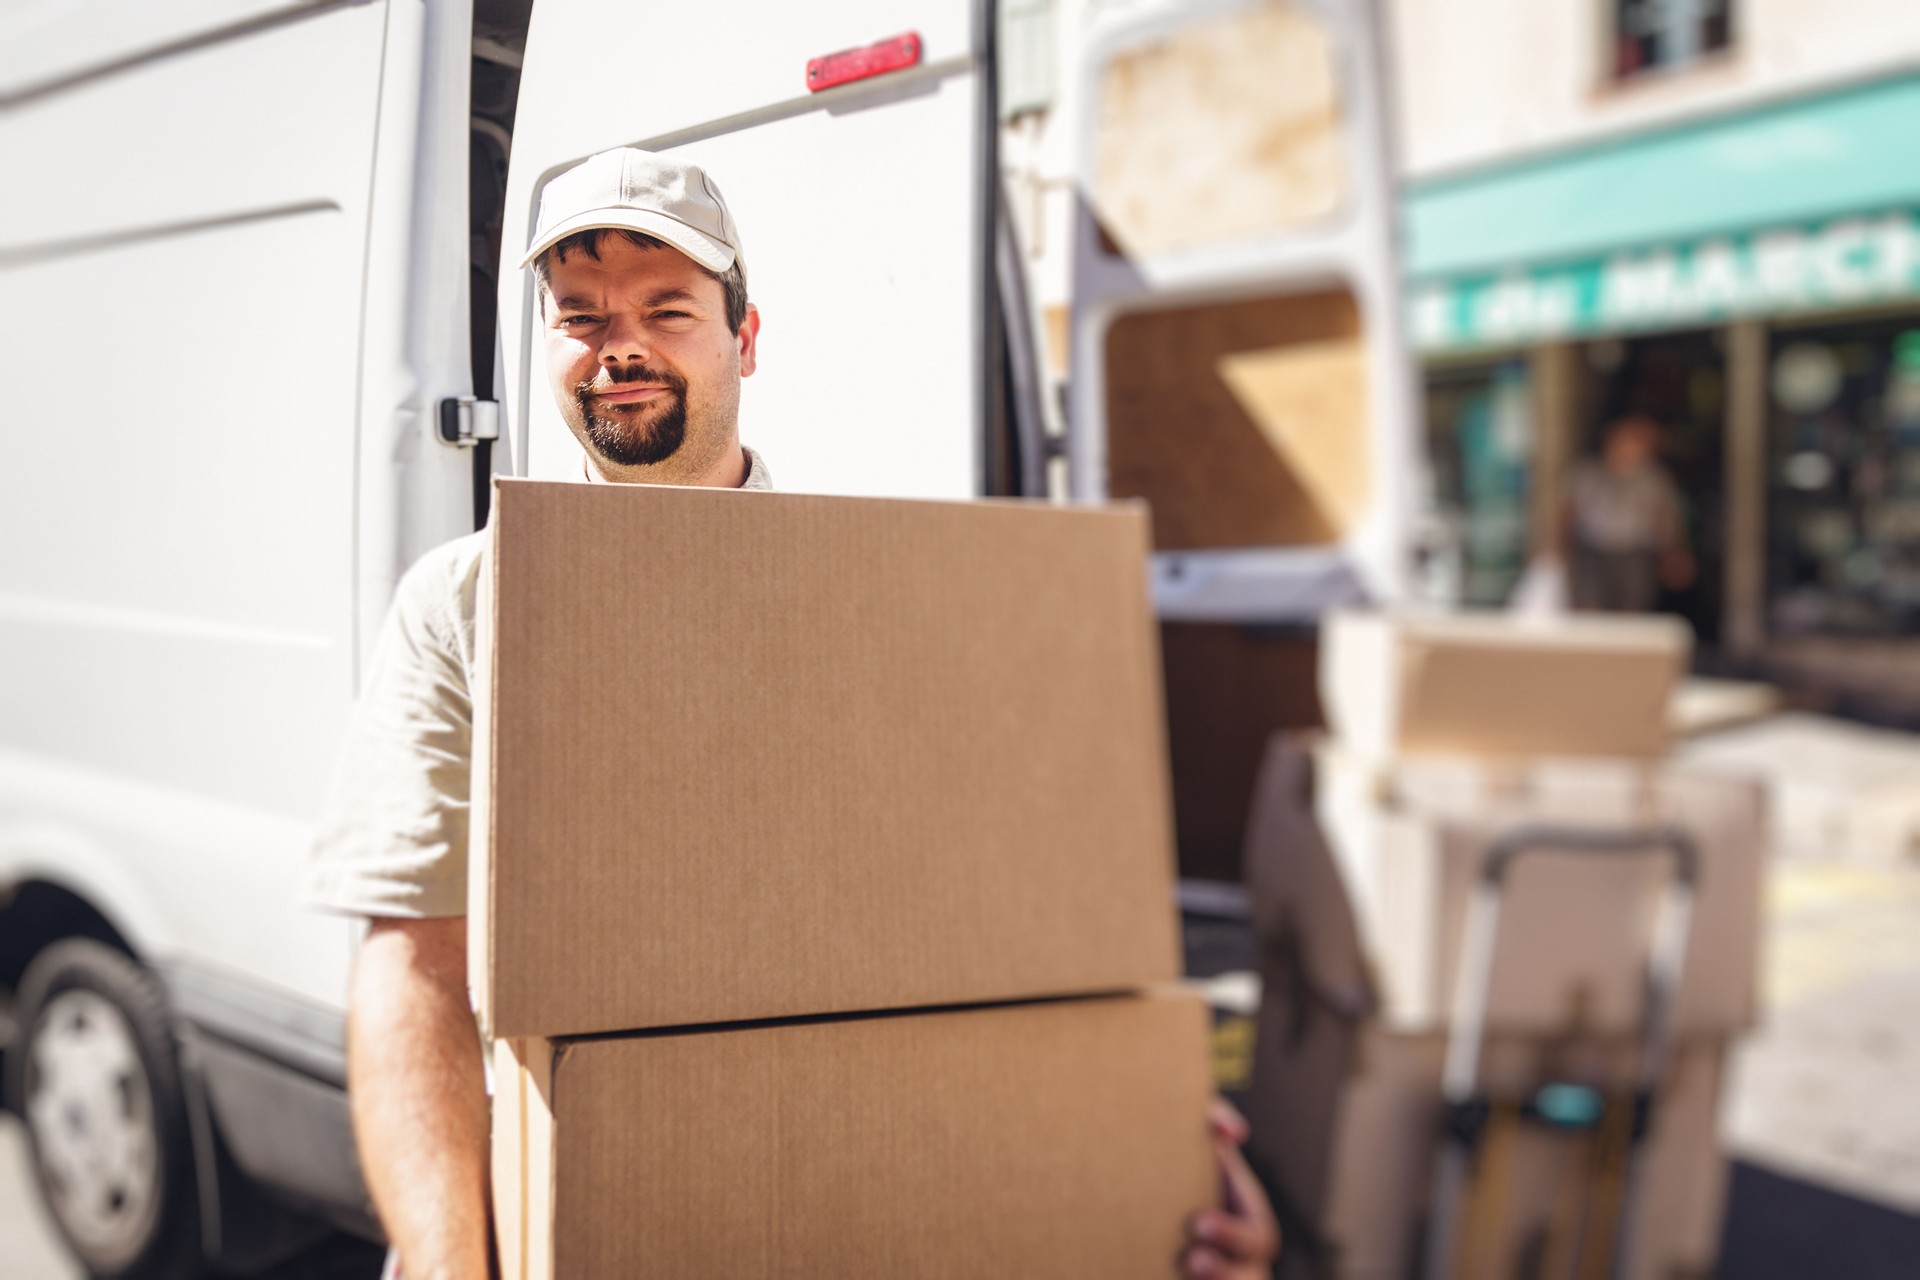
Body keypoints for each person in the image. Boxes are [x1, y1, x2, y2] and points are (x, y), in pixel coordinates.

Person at [306, 147, 1278, 1280]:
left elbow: (1027, 951)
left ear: (745, 339)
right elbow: (413, 958)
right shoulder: (463, 601)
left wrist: (1159, 1175)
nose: (619, 345)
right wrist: (441, 1259)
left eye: (667, 308)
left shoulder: (873, 589)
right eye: (580, 317)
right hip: (567, 1199)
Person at [1563, 414, 1694, 613]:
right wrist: (1557, 549)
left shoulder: (1652, 478)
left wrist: (1673, 553)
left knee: (1632, 608)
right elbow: (1569, 513)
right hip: (1593, 552)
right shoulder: (1589, 474)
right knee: (1590, 607)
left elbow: (1663, 518)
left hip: (1635, 554)